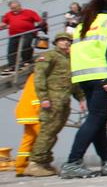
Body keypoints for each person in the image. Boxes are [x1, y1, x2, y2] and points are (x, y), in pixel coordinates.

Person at [60, 0, 107, 178]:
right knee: (96, 118)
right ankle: (73, 161)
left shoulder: (83, 24)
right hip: (103, 76)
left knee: (97, 118)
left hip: (83, 76)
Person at [23, 33, 86, 177]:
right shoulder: (49, 56)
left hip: (64, 101)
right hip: (52, 100)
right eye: (62, 40)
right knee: (47, 132)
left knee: (54, 132)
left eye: (68, 41)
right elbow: (39, 77)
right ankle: (34, 163)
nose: (65, 43)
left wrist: (81, 99)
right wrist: (43, 97)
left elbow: (74, 82)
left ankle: (44, 162)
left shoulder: (70, 58)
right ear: (56, 42)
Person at [0, 0, 42, 73]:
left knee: (25, 46)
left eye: (15, 8)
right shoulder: (8, 14)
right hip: (14, 35)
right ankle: (12, 66)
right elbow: (4, 23)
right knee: (11, 50)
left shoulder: (29, 12)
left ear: (19, 6)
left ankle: (27, 60)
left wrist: (41, 25)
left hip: (27, 33)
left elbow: (39, 20)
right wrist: (2, 25)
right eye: (12, 8)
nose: (14, 10)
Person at [14, 73, 40, 177]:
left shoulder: (33, 76)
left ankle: (20, 167)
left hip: (25, 112)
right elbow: (36, 97)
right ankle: (39, 164)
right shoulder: (38, 76)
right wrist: (41, 111)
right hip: (33, 112)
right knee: (44, 138)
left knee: (28, 140)